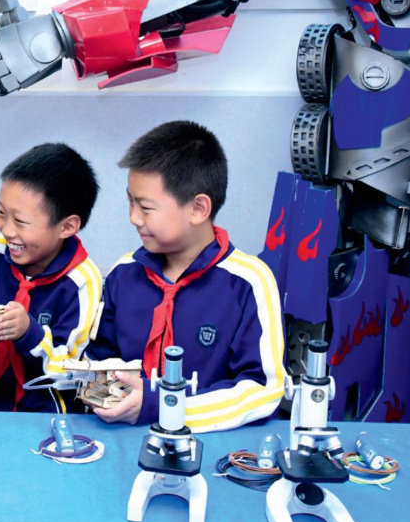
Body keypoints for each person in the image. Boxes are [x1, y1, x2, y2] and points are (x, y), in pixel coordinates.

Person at [88, 120, 285, 430]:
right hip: (122, 440)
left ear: (198, 209)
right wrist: (103, 394)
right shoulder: (124, 273)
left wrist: (164, 408)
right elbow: (98, 361)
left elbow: (263, 392)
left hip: (212, 446)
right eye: (130, 201)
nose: (133, 217)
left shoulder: (249, 282)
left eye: (145, 207)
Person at [0, 143, 104, 412]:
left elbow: (73, 370)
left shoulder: (82, 280)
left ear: (67, 226)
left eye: (21, 221)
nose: (6, 230)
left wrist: (30, 333)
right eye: (1, 213)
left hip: (45, 416)